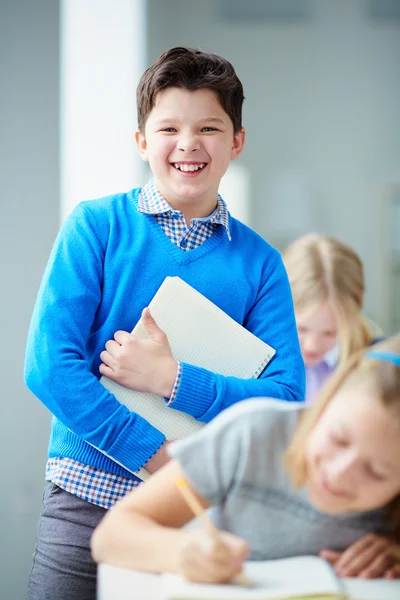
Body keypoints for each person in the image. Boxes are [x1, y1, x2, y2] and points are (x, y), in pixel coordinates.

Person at [24, 47, 304, 599]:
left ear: (236, 142)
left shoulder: (262, 264)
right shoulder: (96, 227)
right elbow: (49, 367)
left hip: (194, 514)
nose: (188, 143)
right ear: (142, 141)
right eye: (169, 127)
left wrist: (171, 381)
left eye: (209, 127)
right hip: (83, 501)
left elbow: (285, 398)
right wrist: (155, 454)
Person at [91, 335, 400, 584]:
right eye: (339, 439)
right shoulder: (253, 434)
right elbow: (110, 536)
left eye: (377, 472)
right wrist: (182, 551)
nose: (340, 473)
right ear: (324, 402)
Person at [283, 233, 378, 403]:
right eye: (301, 329)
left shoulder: (376, 369)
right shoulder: (255, 363)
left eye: (330, 333)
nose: (313, 345)